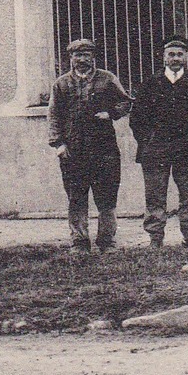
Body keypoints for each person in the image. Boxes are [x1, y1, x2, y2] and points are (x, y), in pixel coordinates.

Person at [129, 35, 188, 248]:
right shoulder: (150, 84)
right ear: (163, 57)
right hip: (157, 149)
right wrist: (147, 141)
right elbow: (136, 119)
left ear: (187, 57)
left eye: (180, 54)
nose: (176, 58)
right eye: (171, 54)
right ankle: (155, 236)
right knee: (155, 194)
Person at [46, 38, 131, 253]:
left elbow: (126, 102)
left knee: (107, 196)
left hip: (104, 149)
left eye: (86, 55)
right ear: (71, 58)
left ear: (93, 57)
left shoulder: (107, 79)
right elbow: (54, 115)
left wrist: (110, 113)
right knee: (76, 197)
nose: (82, 60)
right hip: (73, 150)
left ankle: (107, 241)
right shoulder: (62, 84)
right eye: (77, 55)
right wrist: (59, 144)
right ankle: (79, 242)